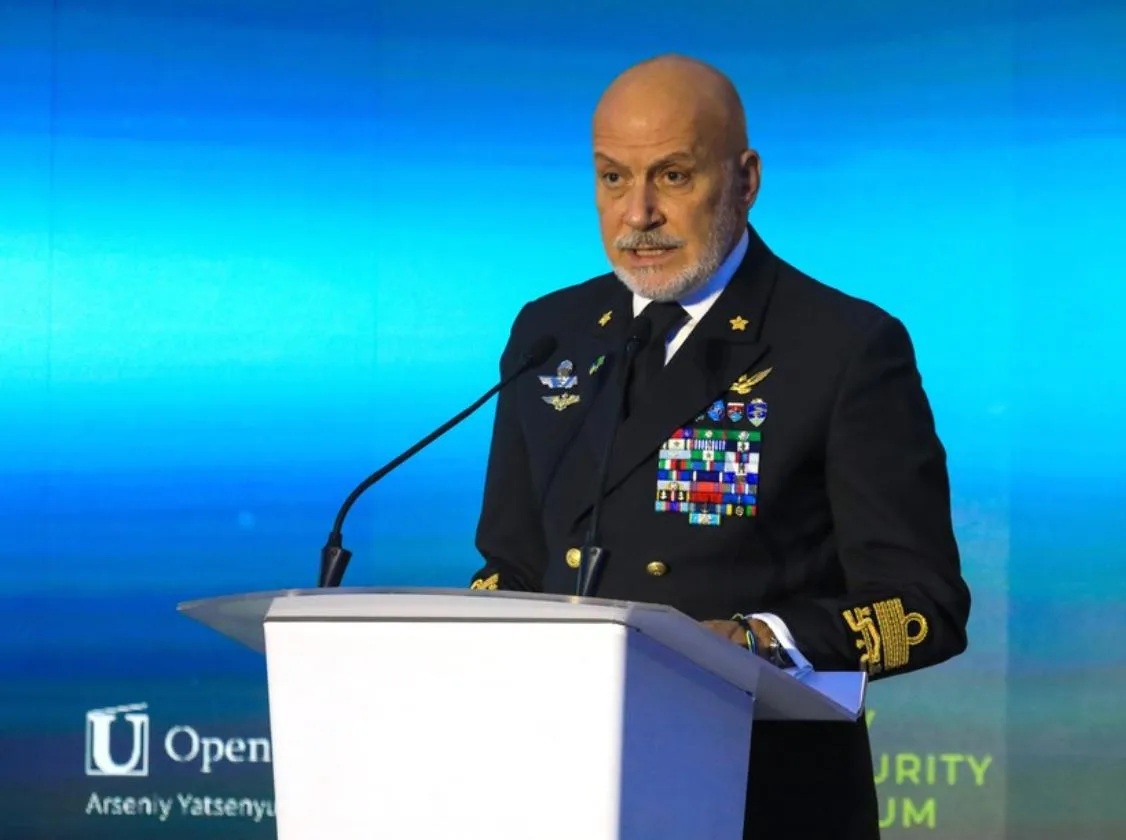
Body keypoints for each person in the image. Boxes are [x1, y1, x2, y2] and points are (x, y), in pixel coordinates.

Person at [469, 53, 971, 839]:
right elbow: (513, 562)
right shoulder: (551, 332)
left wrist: (755, 642)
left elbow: (924, 605)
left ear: (745, 180)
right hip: (564, 783)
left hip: (758, 795)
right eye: (612, 178)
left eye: (672, 176)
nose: (638, 214)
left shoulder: (842, 346)